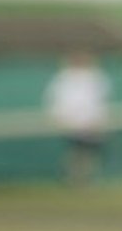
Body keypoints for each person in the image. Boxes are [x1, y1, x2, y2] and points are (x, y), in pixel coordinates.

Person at [44, 51, 112, 186]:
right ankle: (73, 178)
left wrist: (99, 119)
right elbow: (55, 99)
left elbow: (100, 101)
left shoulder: (96, 77)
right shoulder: (63, 78)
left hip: (91, 122)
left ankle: (85, 179)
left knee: (89, 151)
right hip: (71, 122)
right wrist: (60, 117)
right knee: (76, 150)